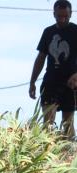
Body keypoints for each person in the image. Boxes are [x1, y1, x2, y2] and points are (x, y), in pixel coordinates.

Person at [29, 0, 77, 137]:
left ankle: (68, 152)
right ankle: (46, 151)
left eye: (65, 16)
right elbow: (41, 58)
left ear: (71, 14)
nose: (62, 19)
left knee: (68, 122)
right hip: (51, 81)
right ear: (53, 14)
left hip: (71, 83)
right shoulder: (48, 32)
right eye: (59, 16)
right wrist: (32, 81)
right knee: (48, 121)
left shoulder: (75, 31)